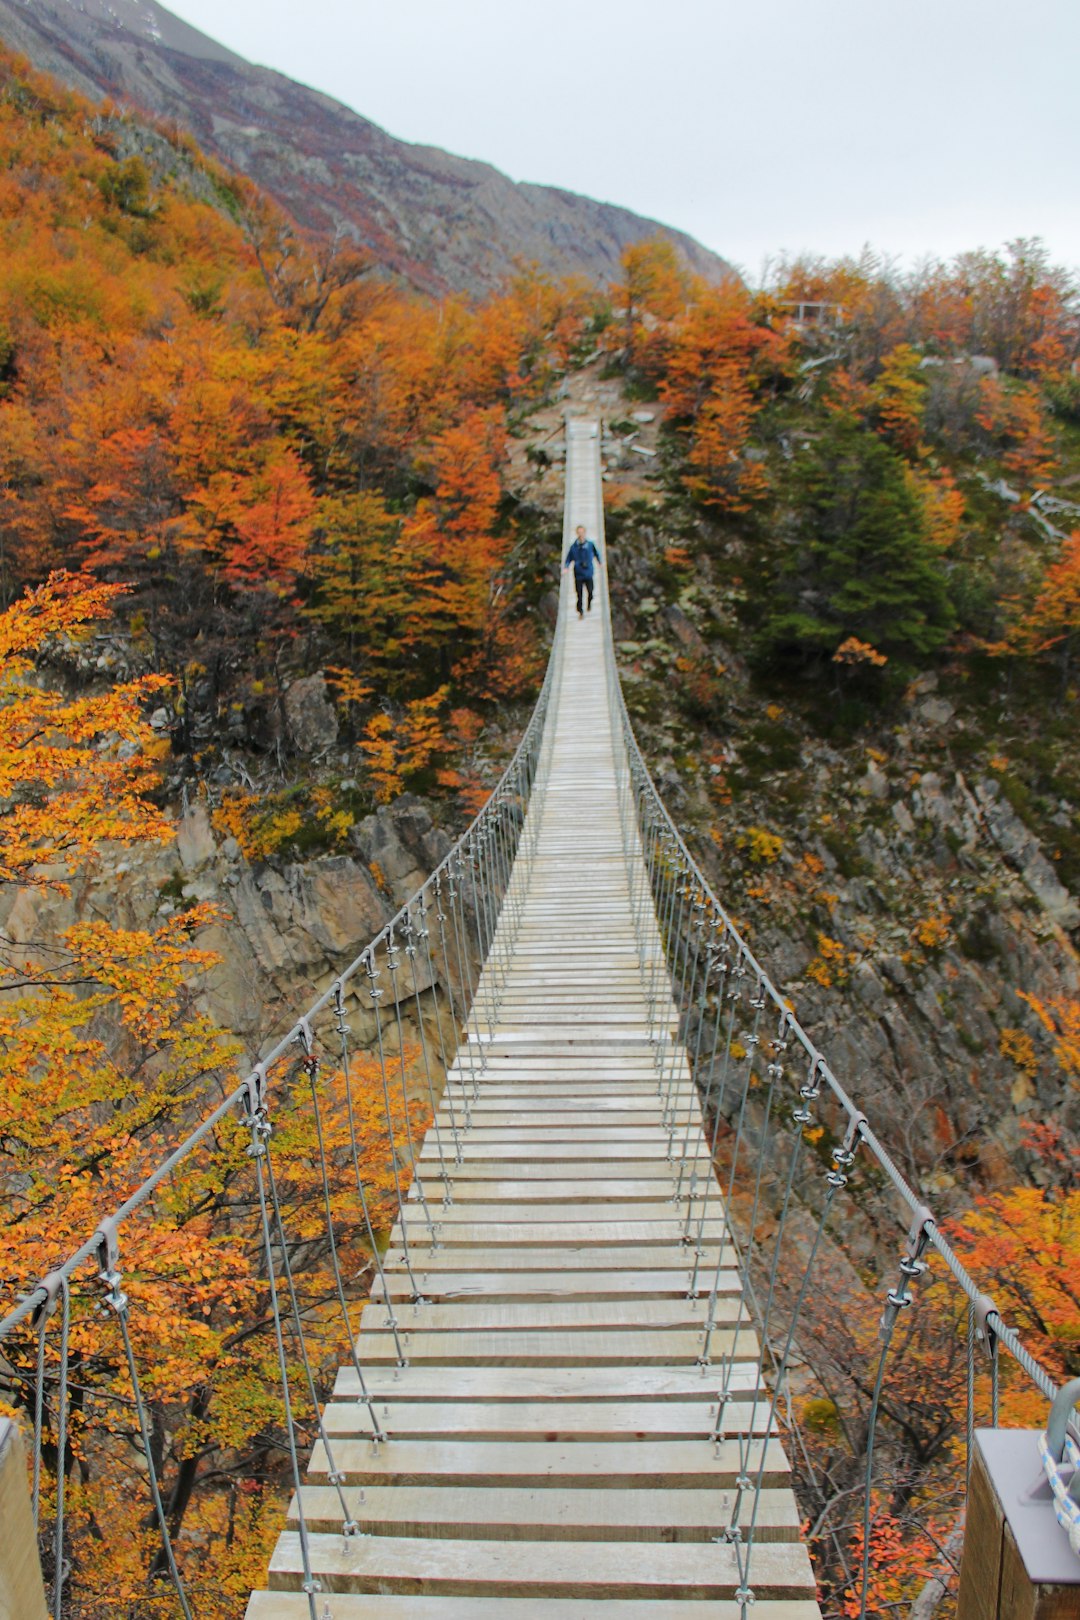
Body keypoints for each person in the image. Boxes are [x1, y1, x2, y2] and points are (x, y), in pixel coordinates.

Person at [563, 525, 602, 617]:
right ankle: (580, 611)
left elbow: (597, 553)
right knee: (579, 594)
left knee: (590, 591)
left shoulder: (590, 545)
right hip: (578, 573)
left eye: (582, 532)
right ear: (577, 533)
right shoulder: (574, 547)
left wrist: (600, 562)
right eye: (579, 532)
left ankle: (589, 603)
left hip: (588, 572)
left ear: (585, 533)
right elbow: (568, 558)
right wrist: (566, 567)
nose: (581, 534)